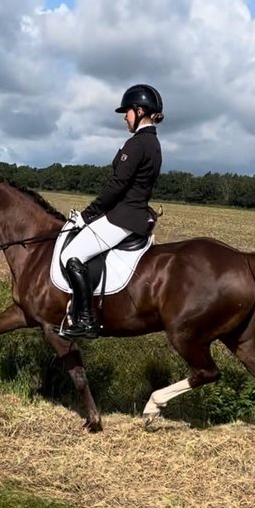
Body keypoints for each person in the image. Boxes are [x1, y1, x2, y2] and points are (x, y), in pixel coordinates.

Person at [58, 83, 164, 339]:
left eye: (127, 112)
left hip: (123, 216)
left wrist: (87, 215)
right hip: (134, 214)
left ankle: (85, 320)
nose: (125, 118)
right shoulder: (153, 143)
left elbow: (117, 186)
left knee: (71, 255)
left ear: (139, 111)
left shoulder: (137, 143)